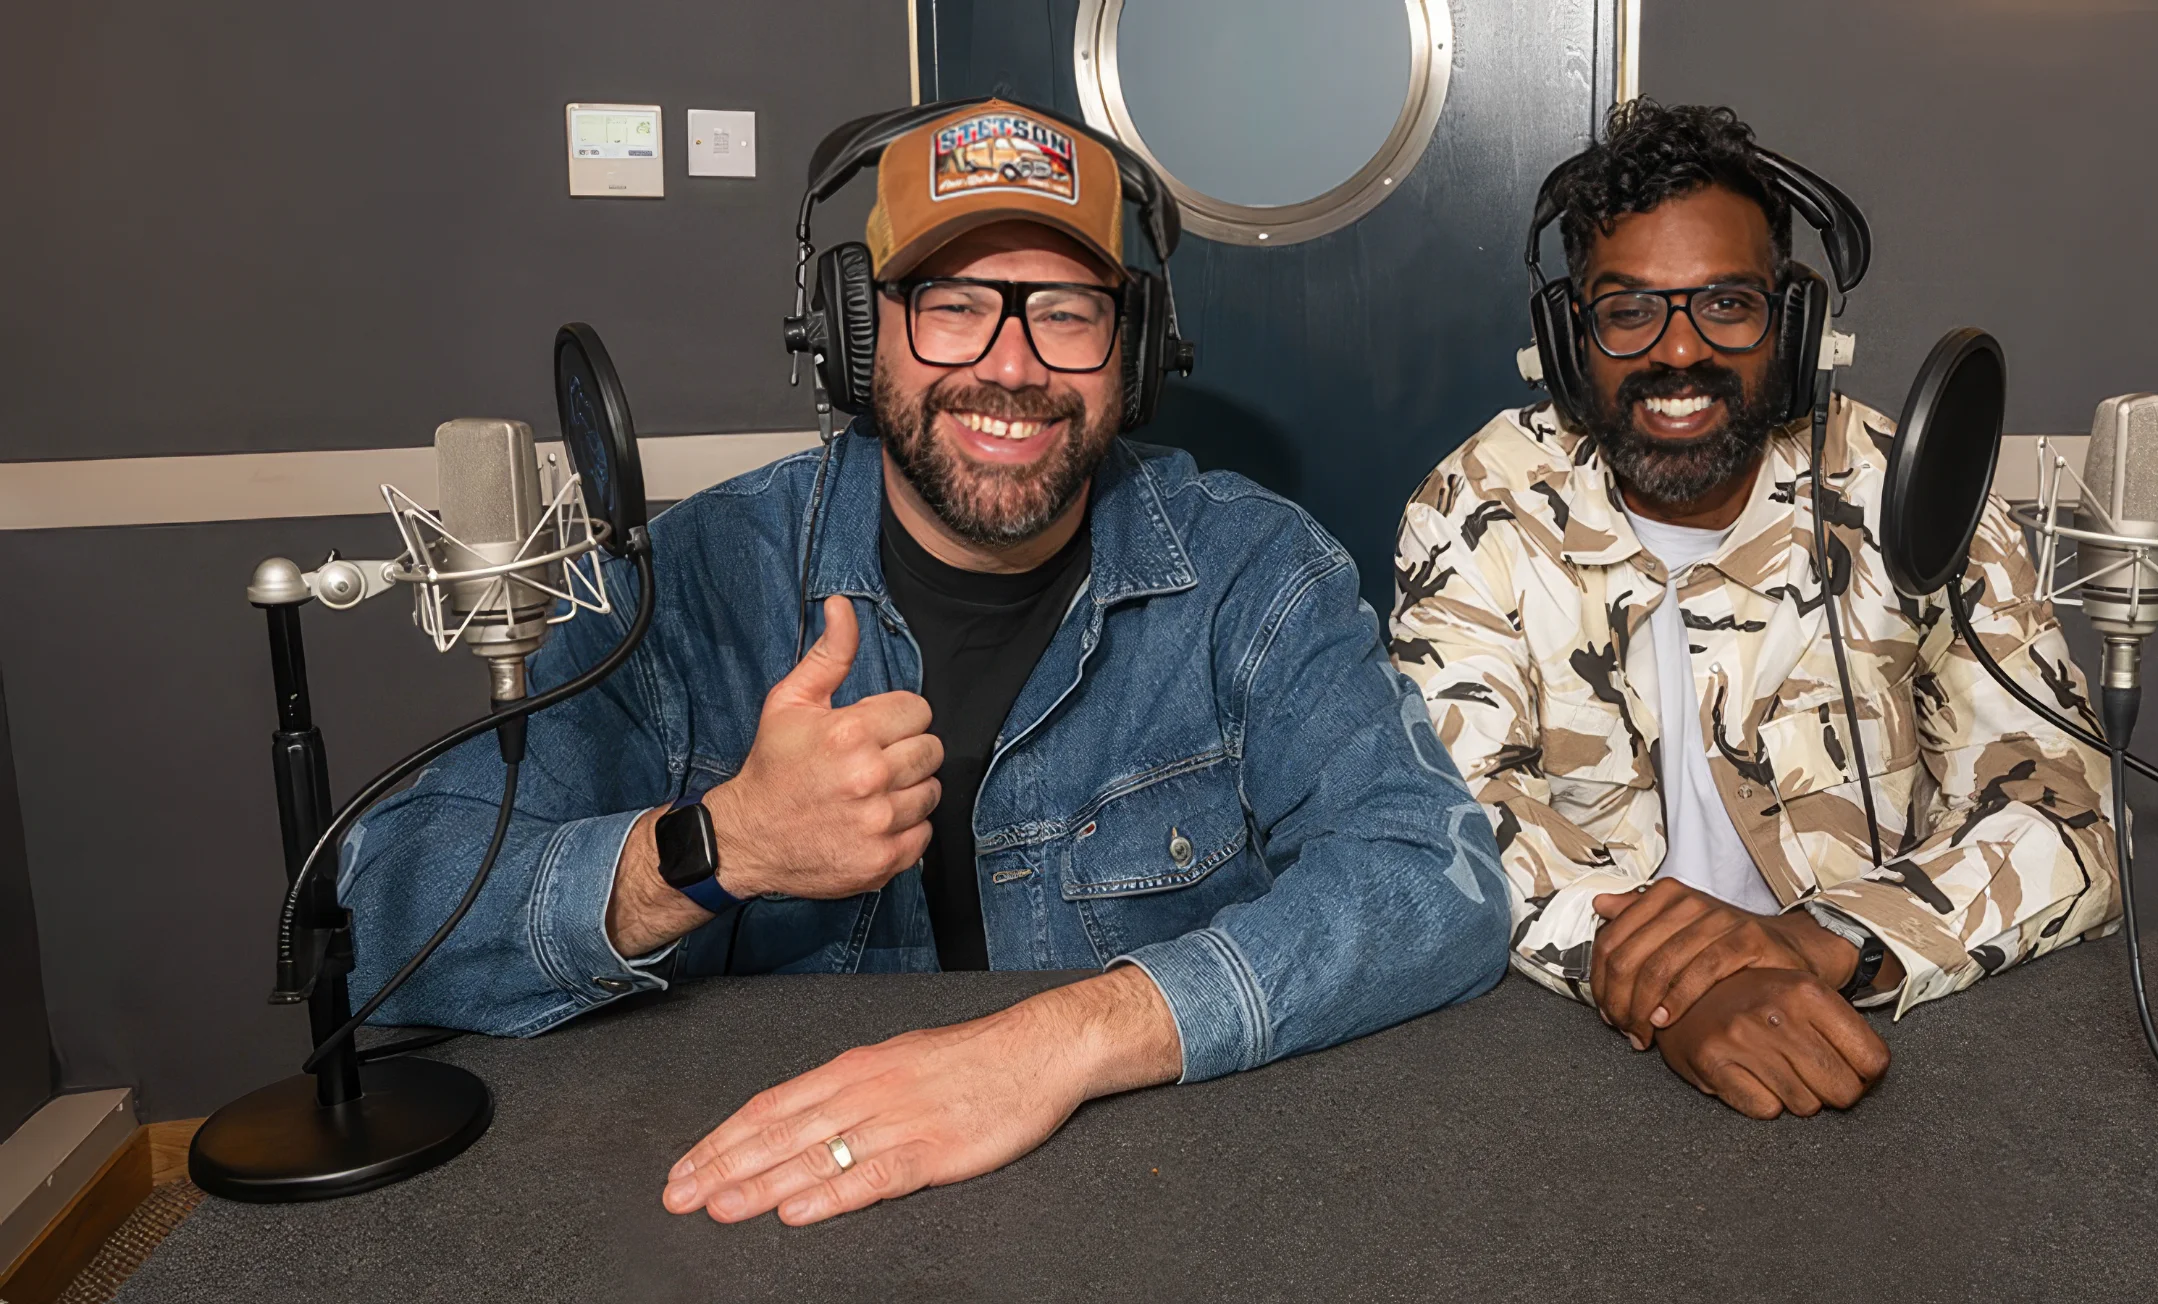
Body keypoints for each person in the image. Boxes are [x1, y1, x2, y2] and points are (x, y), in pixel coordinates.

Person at [344, 98, 1507, 1226]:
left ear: (1136, 349)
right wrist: (717, 848)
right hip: (787, 1199)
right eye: (952, 306)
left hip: (1163, 1198)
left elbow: (1432, 880)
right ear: (857, 335)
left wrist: (1055, 1043)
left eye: (1065, 311)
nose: (1011, 365)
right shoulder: (699, 580)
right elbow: (391, 917)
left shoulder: (1253, 568)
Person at [1390, 99, 2119, 1121]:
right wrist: (1677, 975)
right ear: (1568, 339)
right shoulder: (1477, 506)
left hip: (1871, 1037)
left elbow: (2066, 804)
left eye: (1726, 304)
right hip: (1565, 1064)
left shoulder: (1901, 489)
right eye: (1629, 309)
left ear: (1796, 322)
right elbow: (1450, 813)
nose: (1678, 352)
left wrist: (1817, 939)